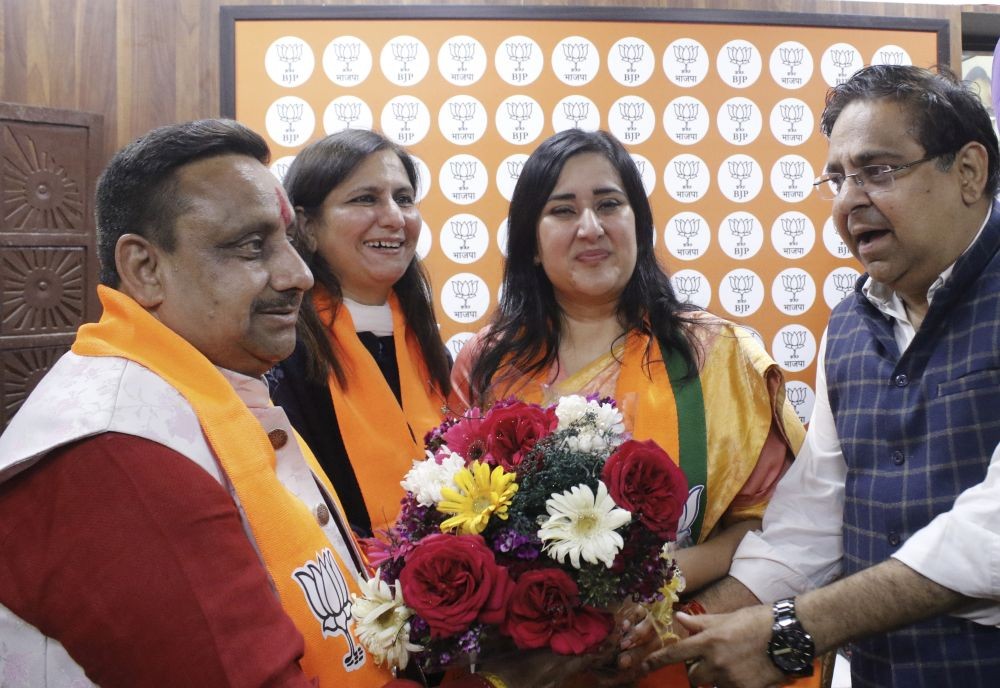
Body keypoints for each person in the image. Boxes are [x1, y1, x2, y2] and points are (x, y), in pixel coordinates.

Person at [0, 119, 591, 688]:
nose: (299, 275)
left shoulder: (217, 387)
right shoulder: (115, 456)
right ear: (145, 268)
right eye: (253, 246)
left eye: (287, 241)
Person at [639, 65, 1000, 688]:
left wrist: (792, 630)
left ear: (968, 172)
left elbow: (989, 534)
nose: (849, 201)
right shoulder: (851, 326)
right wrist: (661, 641)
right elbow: (810, 524)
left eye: (878, 171)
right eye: (836, 178)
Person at [450, 128, 806, 686]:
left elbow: (775, 524)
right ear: (531, 244)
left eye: (608, 204)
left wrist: (649, 589)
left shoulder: (714, 353)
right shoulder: (487, 365)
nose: (590, 227)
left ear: (639, 223)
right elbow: (458, 526)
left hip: (674, 648)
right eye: (562, 210)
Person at [269, 129, 450, 539]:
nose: (394, 217)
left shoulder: (425, 344)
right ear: (308, 227)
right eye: (365, 199)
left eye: (404, 199)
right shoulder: (280, 353)